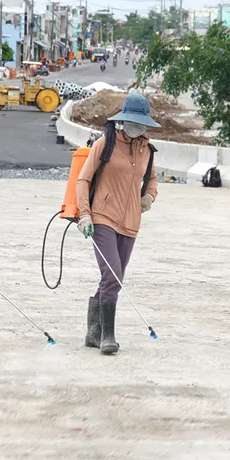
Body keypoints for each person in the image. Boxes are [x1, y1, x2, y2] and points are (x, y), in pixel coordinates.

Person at [74, 92, 160, 355]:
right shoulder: (105, 144)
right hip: (103, 217)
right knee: (112, 275)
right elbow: (83, 180)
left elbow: (152, 179)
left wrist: (149, 197)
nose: (137, 127)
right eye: (132, 122)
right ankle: (108, 336)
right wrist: (85, 214)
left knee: (113, 278)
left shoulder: (148, 150)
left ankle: (93, 332)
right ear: (123, 120)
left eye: (141, 123)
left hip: (131, 221)